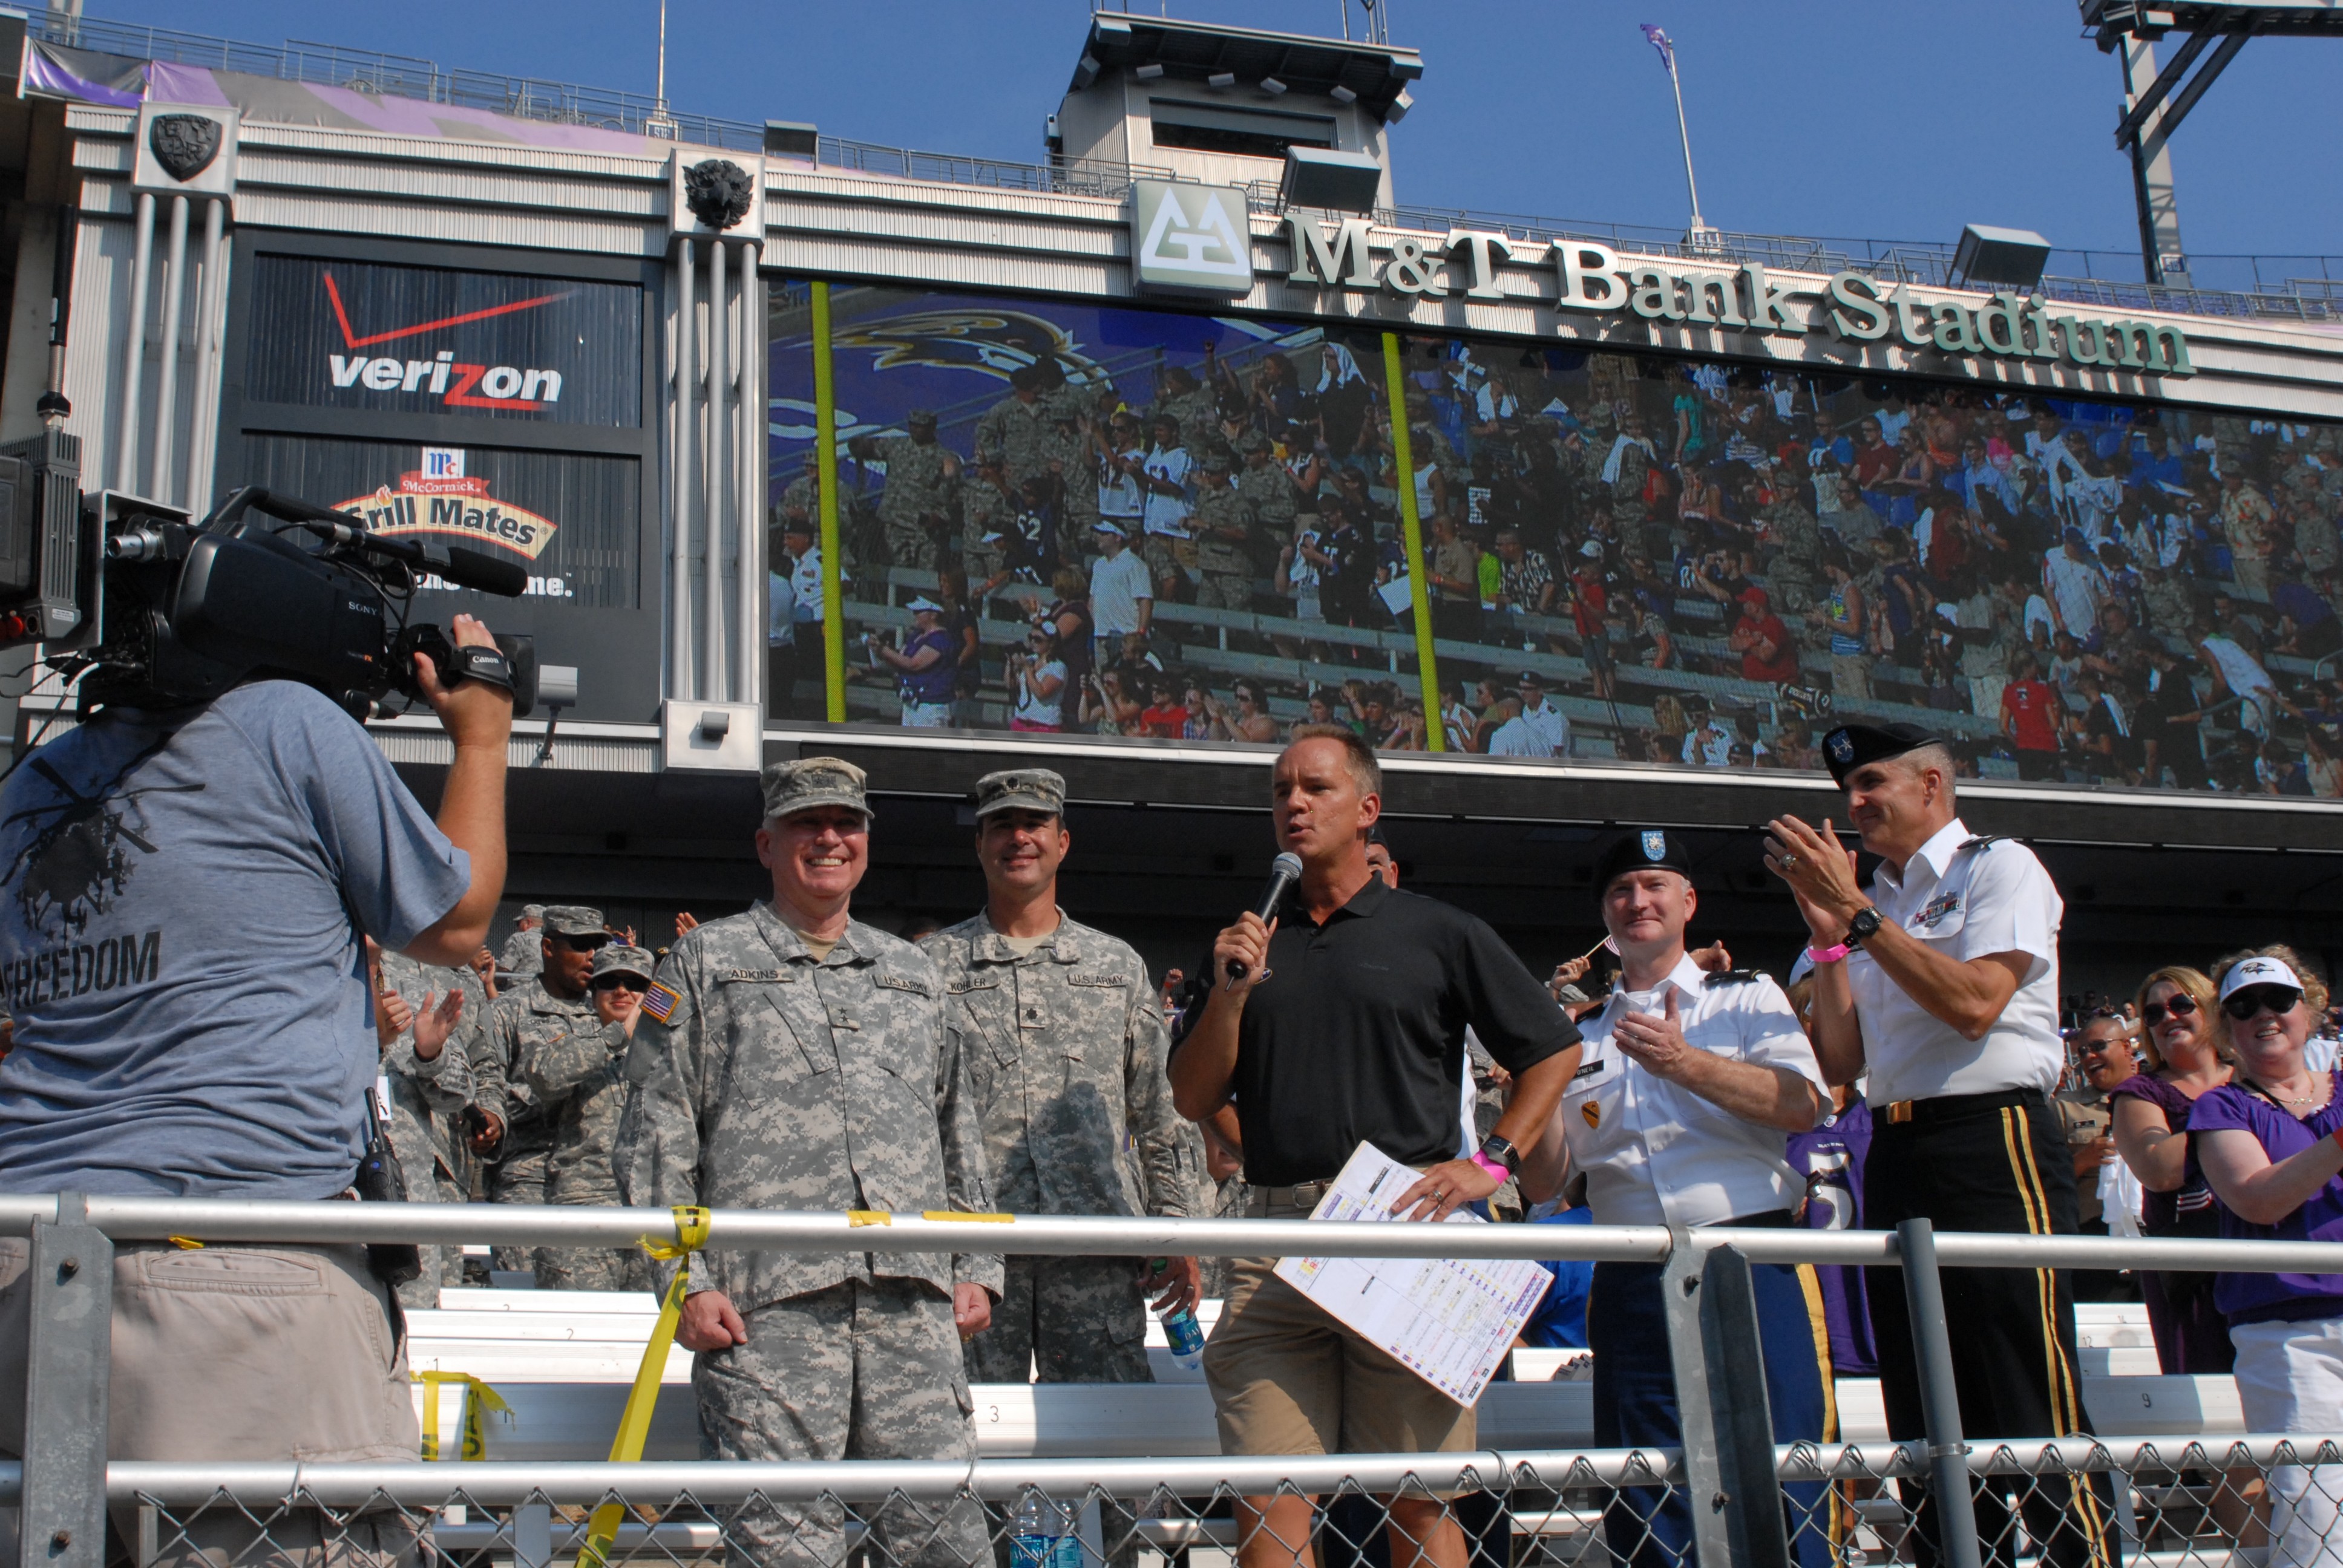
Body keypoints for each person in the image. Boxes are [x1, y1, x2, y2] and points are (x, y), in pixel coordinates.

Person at [0, 615, 513, 1561]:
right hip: (238, 1287)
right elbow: (455, 915)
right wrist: (482, 735)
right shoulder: (286, 722)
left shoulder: (33, 784)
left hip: (24, 1270)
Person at [1167, 726, 1581, 1568]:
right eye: (1281, 790)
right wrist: (1230, 996)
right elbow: (1192, 1096)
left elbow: (1553, 1047)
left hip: (1403, 1232)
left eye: (1314, 788)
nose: (1292, 804)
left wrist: (1492, 1161)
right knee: (1268, 1507)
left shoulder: (1438, 931)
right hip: (1276, 1240)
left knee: (1420, 1505)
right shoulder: (1245, 945)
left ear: (1368, 809)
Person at [615, 758, 998, 1568]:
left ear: (865, 842)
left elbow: (961, 1126)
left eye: (846, 823)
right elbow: (653, 1131)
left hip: (912, 1309)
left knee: (946, 1546)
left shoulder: (915, 975)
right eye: (806, 824)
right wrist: (684, 1283)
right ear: (766, 842)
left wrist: (978, 1262)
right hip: (767, 1312)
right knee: (786, 1551)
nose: (829, 838)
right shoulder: (695, 967)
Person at [1765, 722, 2114, 1568]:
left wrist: (1858, 916)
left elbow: (1974, 1004)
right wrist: (1827, 939)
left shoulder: (1998, 867)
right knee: (1923, 1399)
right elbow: (1843, 1061)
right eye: (1847, 791)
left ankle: (2087, 1557)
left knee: (2027, 1383)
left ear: (1931, 786)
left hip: (1993, 1138)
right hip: (1897, 1144)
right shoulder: (1875, 898)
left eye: (1871, 783)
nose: (1855, 804)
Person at [1519, 829, 1832, 1568]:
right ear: (1605, 914)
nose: (1638, 902)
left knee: (1779, 1470)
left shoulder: (1746, 996)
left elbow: (1801, 1104)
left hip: (1748, 1261)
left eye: (1655, 886)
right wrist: (1530, 1072)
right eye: (1621, 891)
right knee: (1647, 1487)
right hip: (1632, 1277)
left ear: (1688, 902)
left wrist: (1687, 1064)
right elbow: (1544, 1183)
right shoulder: (1579, 1036)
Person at [922, 769, 1200, 1384]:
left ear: (1062, 841)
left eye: (1034, 824)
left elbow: (1158, 1112)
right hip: (975, 1263)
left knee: (1104, 1450)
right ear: (979, 844)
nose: (1018, 838)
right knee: (971, 1445)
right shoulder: (928, 971)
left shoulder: (1113, 966)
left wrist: (1177, 1228)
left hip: (1095, 1256)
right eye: (1001, 825)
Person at [2190, 949, 2343, 1568]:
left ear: (2306, 1011)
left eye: (2278, 1000)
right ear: (2226, 1029)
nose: (2263, 1015)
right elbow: (2257, 1199)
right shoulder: (2219, 1108)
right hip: (2288, 1335)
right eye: (2242, 1007)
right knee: (2314, 1511)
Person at [471, 906, 614, 1287]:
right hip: (529, 1174)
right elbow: (487, 1081)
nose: (592, 957)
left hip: (595, 1182)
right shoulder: (507, 1012)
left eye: (599, 947)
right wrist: (492, 1119)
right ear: (548, 948)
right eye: (581, 946)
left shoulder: (607, 1010)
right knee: (523, 1298)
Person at [513, 943, 659, 1292]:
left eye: (634, 984)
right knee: (573, 1338)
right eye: (610, 983)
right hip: (583, 1214)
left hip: (652, 1215)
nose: (622, 991)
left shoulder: (672, 1050)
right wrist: (617, 1037)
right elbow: (544, 1075)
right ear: (593, 993)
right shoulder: (568, 1040)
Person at [2112, 965, 2236, 1373]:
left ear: (2211, 1010)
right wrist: (2238, 1117)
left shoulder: (2252, 1078)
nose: (2167, 1018)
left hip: (2268, 1252)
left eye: (2181, 1005)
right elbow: (2159, 1169)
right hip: (2194, 1273)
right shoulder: (2139, 1092)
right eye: (2153, 1014)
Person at [372, 941, 489, 1304]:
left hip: (407, 1187)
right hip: (331, 1183)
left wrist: (431, 1055)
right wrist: (372, 1044)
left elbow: (458, 1095)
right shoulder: (315, 983)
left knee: (415, 1316)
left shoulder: (412, 988)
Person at [849, 407, 960, 573]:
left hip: (922, 530)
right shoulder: (897, 446)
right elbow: (867, 448)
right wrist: (858, 445)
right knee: (892, 575)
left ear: (931, 428)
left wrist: (940, 518)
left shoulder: (945, 458)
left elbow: (953, 496)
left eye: (920, 426)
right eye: (912, 425)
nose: (915, 429)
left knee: (925, 577)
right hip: (891, 525)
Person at [869, 596, 958, 727]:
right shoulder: (917, 635)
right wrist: (880, 651)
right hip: (912, 702)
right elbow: (900, 658)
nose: (915, 615)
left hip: (930, 706)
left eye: (919, 612)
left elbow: (913, 664)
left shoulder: (940, 640)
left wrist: (884, 650)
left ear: (933, 615)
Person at [1089, 521, 1153, 668]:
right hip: (1101, 634)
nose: (1099, 537)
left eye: (1104, 534)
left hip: (1126, 634)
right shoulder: (1099, 564)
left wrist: (1140, 633)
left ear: (1118, 538)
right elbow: (1093, 599)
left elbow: (1145, 601)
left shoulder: (1134, 564)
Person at [501, 904, 547, 979]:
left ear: (529, 923)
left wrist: (489, 984)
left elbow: (505, 969)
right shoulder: (552, 941)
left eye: (518, 923)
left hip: (521, 988)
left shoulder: (519, 938)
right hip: (547, 990)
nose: (517, 927)